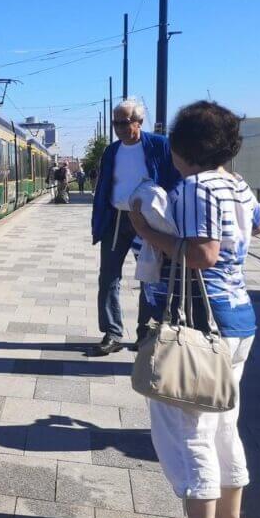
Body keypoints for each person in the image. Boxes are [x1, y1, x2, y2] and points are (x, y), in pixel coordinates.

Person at [127, 101, 260, 518]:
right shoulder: (237, 184)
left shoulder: (194, 188)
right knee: (223, 424)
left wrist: (146, 230)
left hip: (201, 327)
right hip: (238, 320)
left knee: (187, 433)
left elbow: (203, 254)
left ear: (182, 148)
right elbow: (258, 223)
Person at [89, 99, 179, 356]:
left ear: (139, 122)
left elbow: (174, 179)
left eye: (124, 122)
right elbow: (105, 185)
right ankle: (112, 333)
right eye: (115, 122)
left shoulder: (160, 145)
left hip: (148, 220)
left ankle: (145, 332)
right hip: (117, 217)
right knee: (108, 276)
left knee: (150, 275)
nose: (118, 127)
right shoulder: (112, 151)